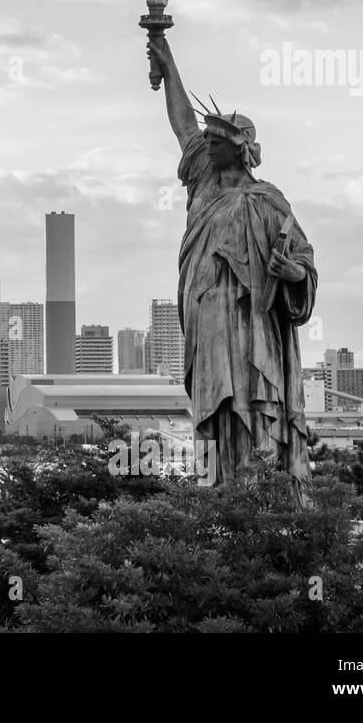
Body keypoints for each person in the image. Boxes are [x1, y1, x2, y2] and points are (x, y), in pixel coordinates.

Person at [147, 35, 315, 494]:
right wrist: (165, 52)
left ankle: (258, 494)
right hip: (206, 320)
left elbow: (303, 261)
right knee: (216, 407)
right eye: (208, 140)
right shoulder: (203, 179)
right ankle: (219, 493)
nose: (206, 144)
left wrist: (293, 274)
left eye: (216, 141)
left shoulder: (269, 201)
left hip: (251, 321)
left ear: (239, 148)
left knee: (251, 403)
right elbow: (183, 123)